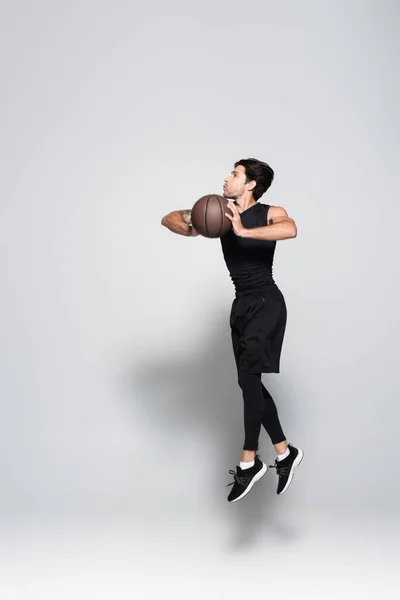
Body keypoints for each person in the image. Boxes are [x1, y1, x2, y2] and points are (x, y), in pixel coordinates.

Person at [161, 158, 303, 503]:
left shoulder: (269, 212)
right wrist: (196, 222)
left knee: (250, 381)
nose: (227, 178)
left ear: (251, 184)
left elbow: (290, 229)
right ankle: (285, 452)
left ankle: (248, 461)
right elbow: (170, 219)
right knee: (247, 382)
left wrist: (243, 231)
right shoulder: (219, 212)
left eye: (235, 174)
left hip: (266, 303)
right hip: (240, 306)